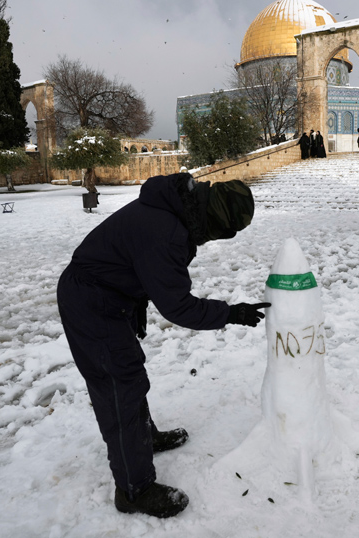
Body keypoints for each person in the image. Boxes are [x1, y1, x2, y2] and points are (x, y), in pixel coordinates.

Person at [56, 173, 269, 518]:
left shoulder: (176, 207)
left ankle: (143, 440)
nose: (215, 239)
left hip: (109, 295)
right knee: (119, 385)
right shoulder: (168, 231)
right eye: (222, 232)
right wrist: (230, 313)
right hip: (92, 301)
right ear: (213, 219)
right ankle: (133, 489)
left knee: (128, 373)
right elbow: (178, 307)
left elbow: (133, 260)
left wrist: (134, 303)